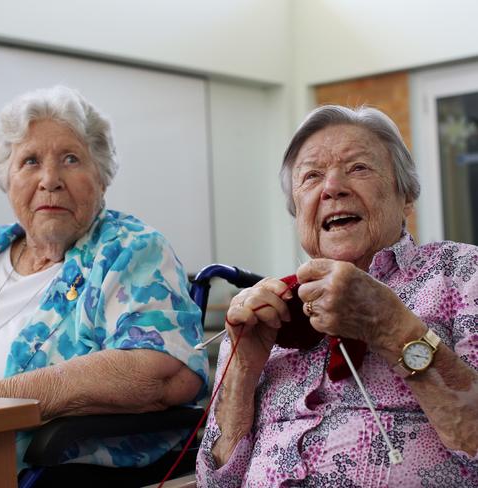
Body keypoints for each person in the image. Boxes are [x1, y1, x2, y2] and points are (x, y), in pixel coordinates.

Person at [0, 86, 208, 470]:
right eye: (30, 161)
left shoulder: (130, 249)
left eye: (70, 159)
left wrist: (0, 395)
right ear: (7, 179)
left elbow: (165, 371)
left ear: (101, 176)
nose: (50, 179)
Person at [197, 105, 478, 486]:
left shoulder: (462, 275)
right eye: (311, 176)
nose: (332, 188)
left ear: (406, 197)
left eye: (358, 168)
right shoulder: (271, 311)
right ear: (298, 211)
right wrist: (244, 368)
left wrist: (392, 329)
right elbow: (214, 481)